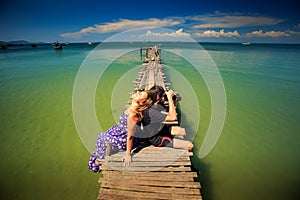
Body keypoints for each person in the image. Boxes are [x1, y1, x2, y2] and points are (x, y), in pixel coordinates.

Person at [123, 86, 194, 166]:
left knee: (184, 131)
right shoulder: (150, 112)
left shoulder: (150, 107)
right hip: (157, 138)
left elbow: (166, 110)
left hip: (160, 129)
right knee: (190, 145)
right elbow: (173, 117)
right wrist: (170, 98)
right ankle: (191, 164)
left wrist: (174, 102)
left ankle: (181, 142)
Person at [88, 91, 152, 173]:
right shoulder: (131, 106)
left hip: (124, 138)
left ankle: (100, 162)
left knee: (103, 137)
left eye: (140, 94)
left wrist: (128, 154)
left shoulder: (133, 115)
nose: (137, 92)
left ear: (141, 102)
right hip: (119, 130)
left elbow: (130, 136)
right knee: (102, 136)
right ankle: (97, 157)